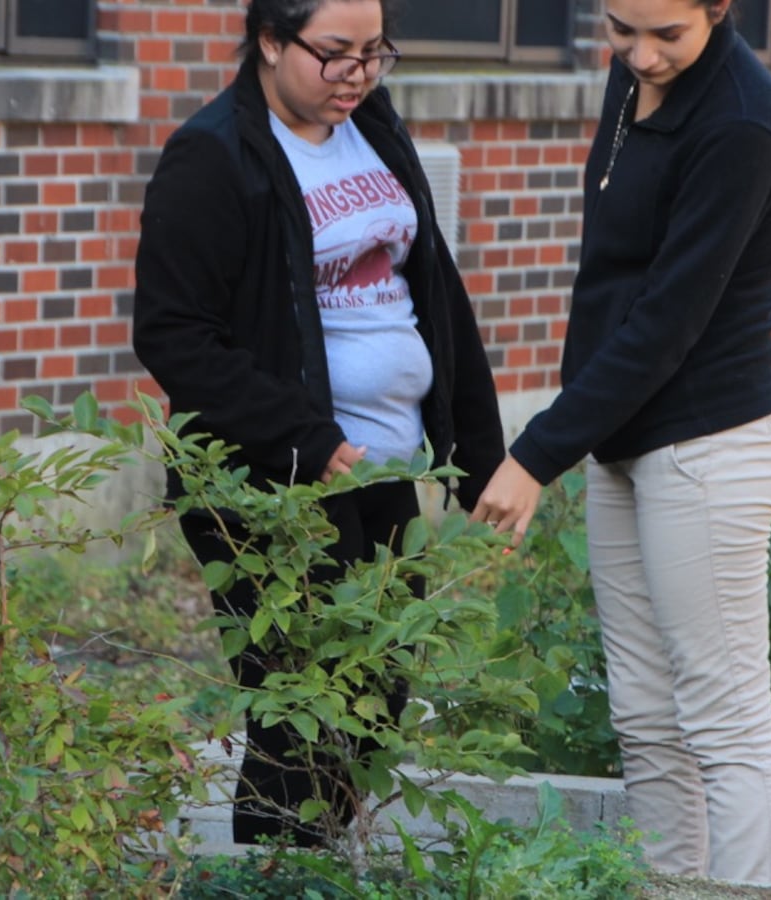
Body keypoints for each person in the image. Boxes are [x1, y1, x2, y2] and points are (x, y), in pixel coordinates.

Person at [132, 0, 505, 847]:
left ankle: (323, 864)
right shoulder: (215, 156)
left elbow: (436, 291)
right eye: (334, 54)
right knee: (299, 717)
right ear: (269, 40)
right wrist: (304, 437)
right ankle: (281, 874)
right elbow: (172, 332)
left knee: (376, 698)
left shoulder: (372, 125)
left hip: (381, 468)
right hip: (277, 485)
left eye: (375, 53)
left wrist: (478, 456)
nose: (357, 74)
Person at [468, 0, 771, 883]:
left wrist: (538, 452)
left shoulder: (739, 120)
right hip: (625, 440)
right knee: (647, 716)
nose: (642, 56)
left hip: (708, 446)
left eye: (667, 34)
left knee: (723, 720)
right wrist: (584, 429)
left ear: (719, 9)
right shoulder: (634, 76)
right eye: (621, 28)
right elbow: (610, 276)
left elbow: (666, 320)